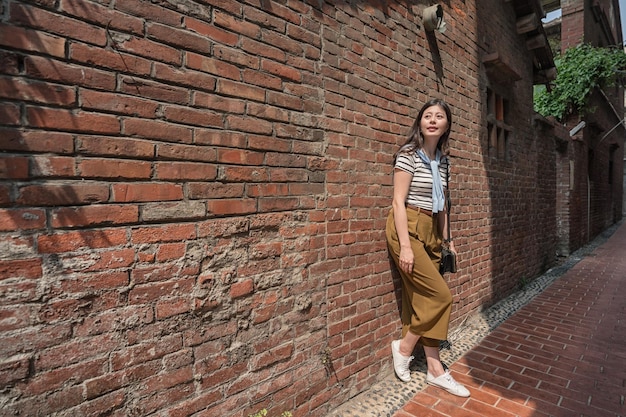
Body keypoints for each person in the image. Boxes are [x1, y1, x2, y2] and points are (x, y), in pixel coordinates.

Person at [385, 98, 470, 397]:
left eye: (439, 116)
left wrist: (448, 240)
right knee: (440, 296)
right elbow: (398, 201)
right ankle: (404, 347)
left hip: (432, 227)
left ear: (447, 124)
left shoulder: (443, 162)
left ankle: (435, 369)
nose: (432, 120)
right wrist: (405, 247)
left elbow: (444, 204)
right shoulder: (408, 155)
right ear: (420, 122)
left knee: (421, 299)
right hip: (407, 225)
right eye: (427, 116)